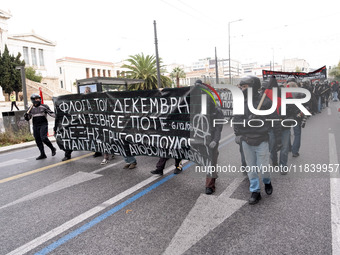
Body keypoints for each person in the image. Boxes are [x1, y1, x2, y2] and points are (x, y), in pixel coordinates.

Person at [233, 76, 281, 205]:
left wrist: (279, 139)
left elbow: (275, 121)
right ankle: (255, 191)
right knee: (251, 168)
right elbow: (235, 121)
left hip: (262, 139)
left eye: (245, 86)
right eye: (241, 87)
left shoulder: (265, 102)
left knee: (264, 168)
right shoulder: (240, 102)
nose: (242, 89)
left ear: (253, 87)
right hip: (246, 139)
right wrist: (240, 129)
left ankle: (267, 181)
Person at [24, 93, 57, 160]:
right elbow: (28, 118)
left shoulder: (44, 106)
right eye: (36, 99)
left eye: (38, 98)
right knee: (38, 140)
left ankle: (52, 148)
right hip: (35, 125)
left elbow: (51, 113)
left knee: (44, 138)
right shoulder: (30, 108)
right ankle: (42, 154)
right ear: (33, 100)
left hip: (43, 124)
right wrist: (26, 115)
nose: (37, 100)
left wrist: (58, 116)